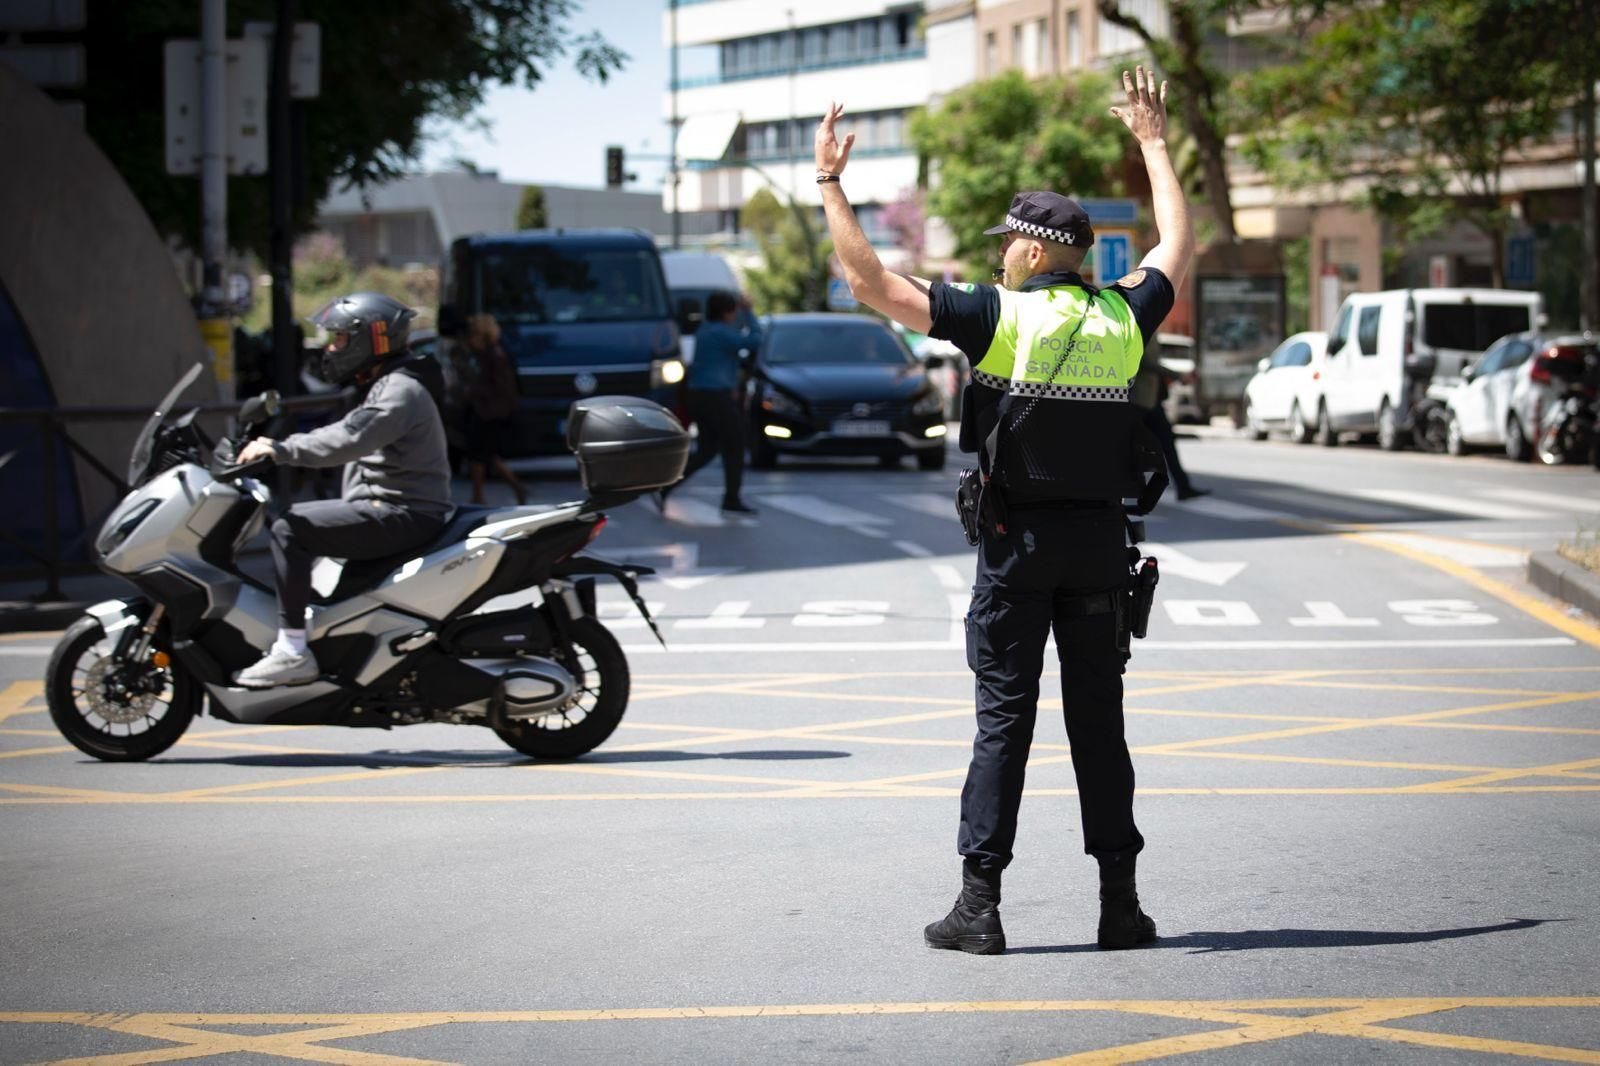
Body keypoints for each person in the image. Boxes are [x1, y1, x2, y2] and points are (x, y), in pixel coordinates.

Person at [814, 66, 1194, 954]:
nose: (997, 260)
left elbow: (871, 281)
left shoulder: (1000, 317)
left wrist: (831, 184)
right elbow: (1176, 241)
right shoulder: (1122, 319)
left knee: (1003, 722)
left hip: (1017, 548)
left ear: (1028, 253)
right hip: (1103, 548)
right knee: (1102, 727)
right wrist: (1153, 143)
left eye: (1004, 249)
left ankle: (980, 909)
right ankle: (1121, 907)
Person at [232, 292, 454, 688]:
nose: (331, 348)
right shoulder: (388, 383)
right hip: (388, 507)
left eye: (338, 339)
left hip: (401, 513)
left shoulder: (400, 390)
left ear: (370, 341)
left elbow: (350, 439)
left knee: (291, 528)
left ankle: (291, 651)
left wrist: (281, 449)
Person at [660, 289, 760, 515]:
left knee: (707, 450)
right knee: (735, 443)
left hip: (701, 395)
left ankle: (666, 485)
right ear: (726, 312)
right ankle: (731, 497)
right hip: (714, 396)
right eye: (733, 310)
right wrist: (749, 312)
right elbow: (754, 340)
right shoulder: (719, 333)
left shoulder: (706, 330)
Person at [462, 313, 528, 506]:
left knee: (482, 454)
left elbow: (500, 387)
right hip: (486, 410)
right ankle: (491, 492)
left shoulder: (495, 355)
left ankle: (484, 494)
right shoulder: (486, 354)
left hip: (489, 412)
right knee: (484, 455)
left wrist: (474, 391)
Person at [1130, 340, 1209, 500]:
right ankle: (1133, 489)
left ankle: (1183, 487)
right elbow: (1145, 361)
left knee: (1167, 443)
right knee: (1133, 447)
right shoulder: (1139, 324)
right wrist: (1177, 375)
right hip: (1139, 399)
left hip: (1152, 400)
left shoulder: (1153, 329)